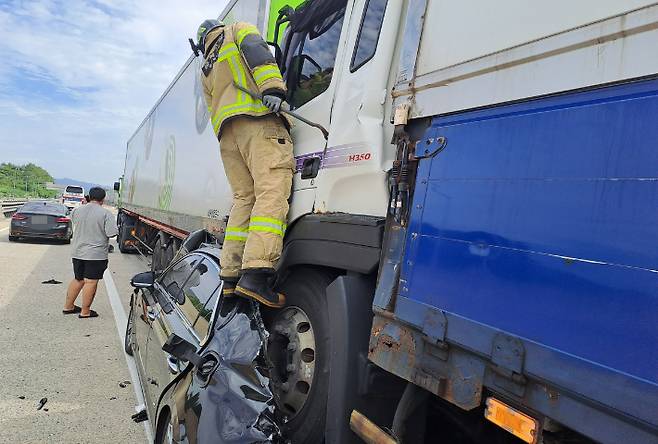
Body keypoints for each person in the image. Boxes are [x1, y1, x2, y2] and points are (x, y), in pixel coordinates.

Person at [196, 19, 294, 308]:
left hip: (228, 137)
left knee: (244, 200)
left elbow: (213, 105)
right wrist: (273, 88)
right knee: (271, 192)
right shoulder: (236, 29)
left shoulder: (206, 67)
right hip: (258, 122)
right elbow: (257, 49)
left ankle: (230, 277)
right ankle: (255, 275)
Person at [63, 187, 118, 318]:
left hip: (78, 252)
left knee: (78, 279)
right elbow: (111, 233)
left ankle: (68, 306)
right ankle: (85, 311)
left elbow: (75, 221)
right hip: (95, 254)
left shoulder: (77, 210)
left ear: (89, 196)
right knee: (91, 282)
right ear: (103, 199)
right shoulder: (105, 214)